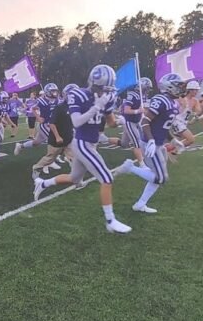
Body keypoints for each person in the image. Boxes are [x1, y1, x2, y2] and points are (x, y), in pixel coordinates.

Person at [33, 65, 131, 234]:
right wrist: (96, 107)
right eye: (102, 89)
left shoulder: (107, 97)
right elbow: (77, 122)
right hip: (82, 143)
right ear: (93, 84)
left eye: (107, 89)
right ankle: (110, 221)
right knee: (107, 178)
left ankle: (43, 183)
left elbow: (110, 122)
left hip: (92, 142)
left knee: (74, 178)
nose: (104, 93)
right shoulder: (78, 94)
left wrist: (124, 120)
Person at [114, 73, 186, 214]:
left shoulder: (172, 102)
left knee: (158, 177)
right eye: (178, 86)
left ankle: (140, 204)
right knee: (161, 178)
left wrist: (173, 139)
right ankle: (130, 168)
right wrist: (151, 141)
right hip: (149, 143)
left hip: (158, 144)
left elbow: (164, 126)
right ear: (169, 87)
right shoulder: (161, 99)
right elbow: (145, 121)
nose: (180, 89)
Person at [31, 83, 80, 181]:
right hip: (56, 136)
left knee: (73, 157)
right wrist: (57, 137)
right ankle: (36, 168)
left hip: (68, 136)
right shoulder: (60, 106)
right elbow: (52, 124)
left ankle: (78, 180)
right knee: (50, 158)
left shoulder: (74, 106)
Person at [14, 83, 59, 156]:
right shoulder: (42, 100)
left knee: (36, 142)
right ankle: (50, 160)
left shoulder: (56, 100)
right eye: (53, 91)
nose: (55, 93)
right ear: (47, 91)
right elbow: (33, 108)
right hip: (45, 125)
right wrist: (38, 118)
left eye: (55, 91)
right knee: (53, 140)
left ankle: (20, 146)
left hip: (52, 124)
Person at [121, 77, 151, 164]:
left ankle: (105, 139)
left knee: (124, 143)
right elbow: (126, 110)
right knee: (137, 142)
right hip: (129, 122)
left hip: (137, 121)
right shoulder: (133, 95)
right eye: (147, 88)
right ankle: (142, 164)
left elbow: (144, 108)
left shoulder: (143, 96)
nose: (148, 90)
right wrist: (138, 111)